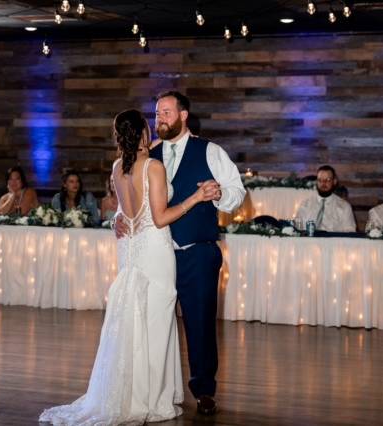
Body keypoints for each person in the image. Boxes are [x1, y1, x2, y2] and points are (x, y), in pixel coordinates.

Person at [39, 109, 215, 424]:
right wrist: (197, 197)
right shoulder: (154, 167)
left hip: (130, 248)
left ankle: (132, 393)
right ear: (144, 134)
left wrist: (117, 221)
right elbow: (160, 218)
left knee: (135, 319)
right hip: (154, 250)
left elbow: (123, 213)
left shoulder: (118, 167)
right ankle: (150, 398)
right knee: (157, 320)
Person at [147, 91, 245, 415]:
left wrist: (219, 195)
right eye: (157, 112)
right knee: (155, 321)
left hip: (198, 253)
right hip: (157, 255)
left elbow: (237, 191)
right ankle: (155, 387)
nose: (159, 117)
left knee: (200, 324)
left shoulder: (210, 150)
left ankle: (204, 390)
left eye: (166, 111)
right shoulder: (150, 155)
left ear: (184, 114)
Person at [296, 165, 356, 232]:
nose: (323, 183)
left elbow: (350, 232)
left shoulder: (344, 207)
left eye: (328, 180)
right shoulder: (305, 205)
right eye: (320, 180)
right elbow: (297, 230)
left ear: (334, 181)